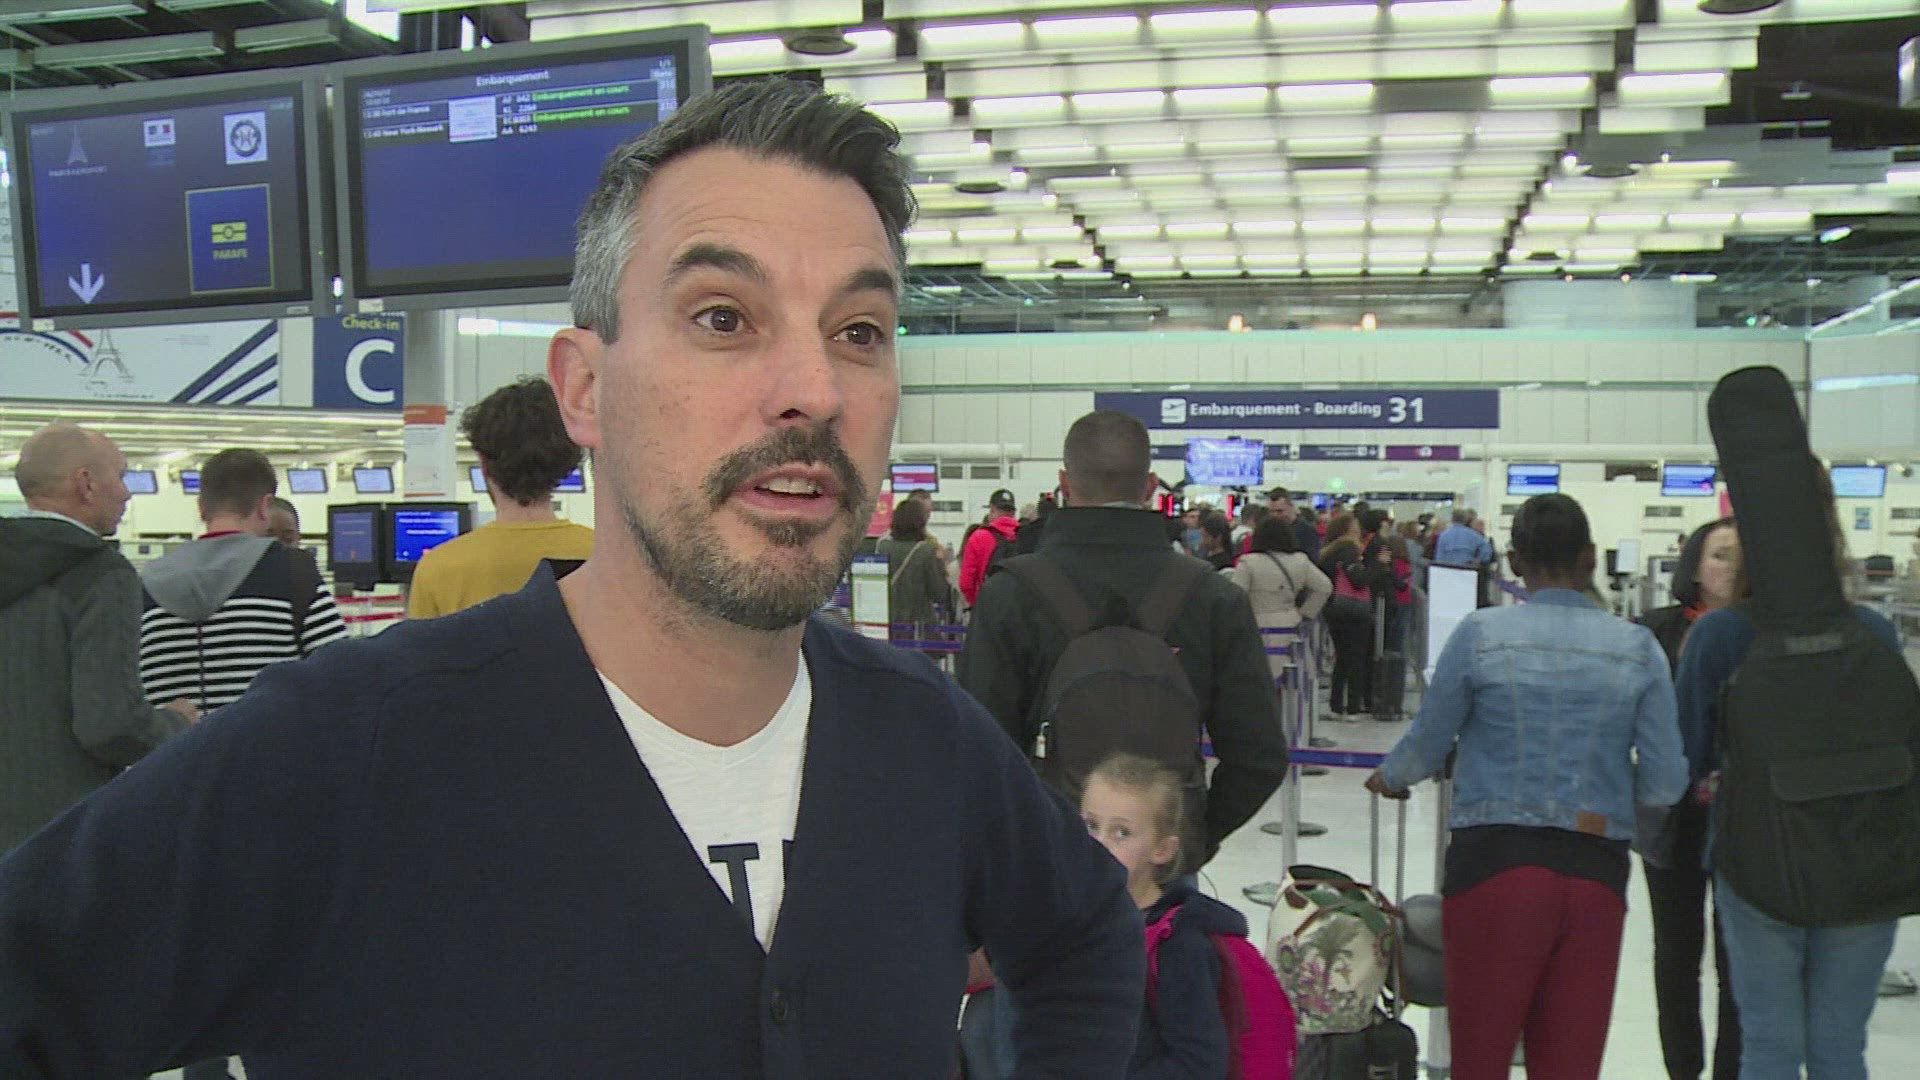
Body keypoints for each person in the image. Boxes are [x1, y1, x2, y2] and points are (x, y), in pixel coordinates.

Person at [0, 79, 1144, 1078]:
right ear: (584, 391)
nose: (815, 388)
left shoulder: (925, 740)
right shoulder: (345, 754)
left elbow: (1087, 939)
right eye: (723, 317)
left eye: (860, 331)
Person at [1368, 493, 1688, 1080]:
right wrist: (1620, 805)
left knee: (1479, 1058)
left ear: (1513, 562)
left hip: (1492, 866)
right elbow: (1666, 782)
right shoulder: (1637, 647)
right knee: (1570, 1062)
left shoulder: (1480, 634)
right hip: (1595, 872)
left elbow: (1429, 740)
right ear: (1590, 558)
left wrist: (1390, 777)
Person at [959, 408, 1290, 871]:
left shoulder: (1010, 594)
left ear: (1064, 483)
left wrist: (1029, 844)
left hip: (1050, 859)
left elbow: (977, 755)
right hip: (1161, 858)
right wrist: (1184, 840)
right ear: (1151, 486)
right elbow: (1260, 757)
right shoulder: (1213, 595)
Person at [1676, 476, 1902, 1080]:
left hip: (1758, 861)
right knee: (1840, 1048)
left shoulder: (1720, 635)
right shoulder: (1874, 632)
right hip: (1860, 864)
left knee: (1769, 1047)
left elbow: (1686, 757)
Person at [0, 423, 196, 855]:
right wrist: (176, 725)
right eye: (121, 477)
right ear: (86, 484)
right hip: (55, 837)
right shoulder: (100, 574)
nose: (126, 494)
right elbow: (109, 725)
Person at [1638, 518, 1743, 1080]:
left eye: (1742, 556)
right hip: (1672, 816)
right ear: (1694, 566)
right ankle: (1682, 1068)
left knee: (1738, 958)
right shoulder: (1655, 631)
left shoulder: (1762, 631)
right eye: (1721, 555)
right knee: (1676, 954)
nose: (1733, 567)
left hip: (1744, 819)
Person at [137, 448, 349, 717]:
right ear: (264, 506)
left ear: (201, 508)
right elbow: (343, 674)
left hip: (173, 743)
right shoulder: (293, 570)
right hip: (268, 741)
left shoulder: (147, 584)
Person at [1083, 753, 1243, 1079]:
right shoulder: (1078, 919)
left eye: (1122, 833)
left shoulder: (1179, 945)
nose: (1099, 845)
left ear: (1163, 850)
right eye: (1091, 826)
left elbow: (1199, 1064)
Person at [407, 377, 596, 619]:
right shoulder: (602, 557)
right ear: (567, 466)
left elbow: (423, 643)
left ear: (484, 464)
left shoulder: (438, 568)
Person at [1227, 515, 1333, 683]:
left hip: (1258, 626)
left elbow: (1235, 596)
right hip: (1292, 625)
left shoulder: (1248, 562)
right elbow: (1324, 587)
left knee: (1260, 679)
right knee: (1292, 681)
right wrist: (1306, 612)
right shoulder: (1300, 560)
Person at [876, 496, 951, 634]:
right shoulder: (926, 550)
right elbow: (938, 593)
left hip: (887, 623)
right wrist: (941, 564)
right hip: (918, 625)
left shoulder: (882, 546)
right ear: (921, 522)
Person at [959, 488, 1019, 608]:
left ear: (992, 510)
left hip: (988, 605)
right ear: (1013, 513)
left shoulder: (979, 537)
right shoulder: (1026, 535)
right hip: (1019, 609)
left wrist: (977, 604)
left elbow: (966, 583)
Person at [1267, 490, 1322, 562]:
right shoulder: (1268, 530)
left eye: (1280, 511)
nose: (1275, 515)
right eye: (1271, 511)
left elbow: (1311, 560)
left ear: (1291, 507)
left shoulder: (1307, 531)